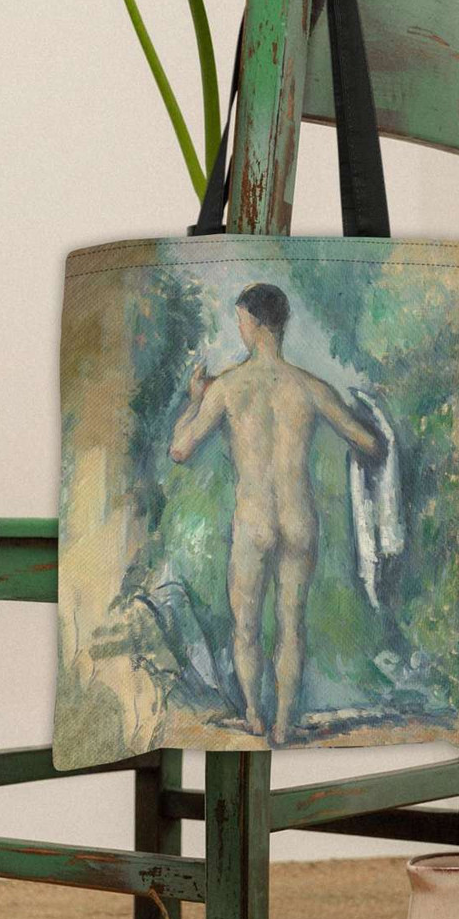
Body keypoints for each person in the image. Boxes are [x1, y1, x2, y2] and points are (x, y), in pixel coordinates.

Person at [169, 282, 381, 745]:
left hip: (254, 521)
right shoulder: (309, 386)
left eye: (241, 320)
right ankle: (284, 725)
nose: (239, 329)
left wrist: (195, 399)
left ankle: (254, 716)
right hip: (298, 518)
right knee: (291, 626)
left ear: (255, 323)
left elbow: (180, 449)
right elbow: (369, 443)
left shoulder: (227, 388)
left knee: (246, 628)